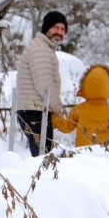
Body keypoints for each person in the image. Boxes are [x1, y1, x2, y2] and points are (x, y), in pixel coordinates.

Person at [14, 10, 69, 157]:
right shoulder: (41, 49)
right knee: (42, 156)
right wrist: (58, 108)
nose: (59, 32)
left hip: (35, 109)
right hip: (35, 110)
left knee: (42, 153)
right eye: (55, 27)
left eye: (63, 29)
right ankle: (41, 180)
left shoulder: (44, 48)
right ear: (47, 28)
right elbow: (44, 86)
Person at [51, 64, 109, 147]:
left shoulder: (79, 109)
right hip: (104, 152)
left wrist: (54, 116)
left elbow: (67, 127)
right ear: (108, 87)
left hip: (83, 154)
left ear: (85, 85)